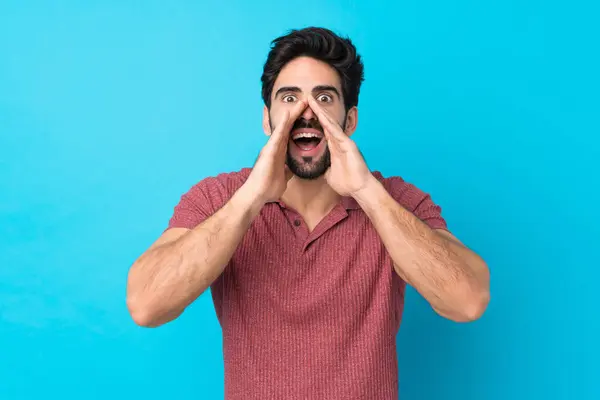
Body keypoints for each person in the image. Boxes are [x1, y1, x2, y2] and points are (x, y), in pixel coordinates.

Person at [126, 26, 490, 400]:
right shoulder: (219, 198)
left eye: (324, 97)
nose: (306, 112)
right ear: (267, 119)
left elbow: (467, 301)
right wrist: (252, 197)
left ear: (349, 121)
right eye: (289, 97)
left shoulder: (398, 201)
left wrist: (367, 192)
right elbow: (146, 305)